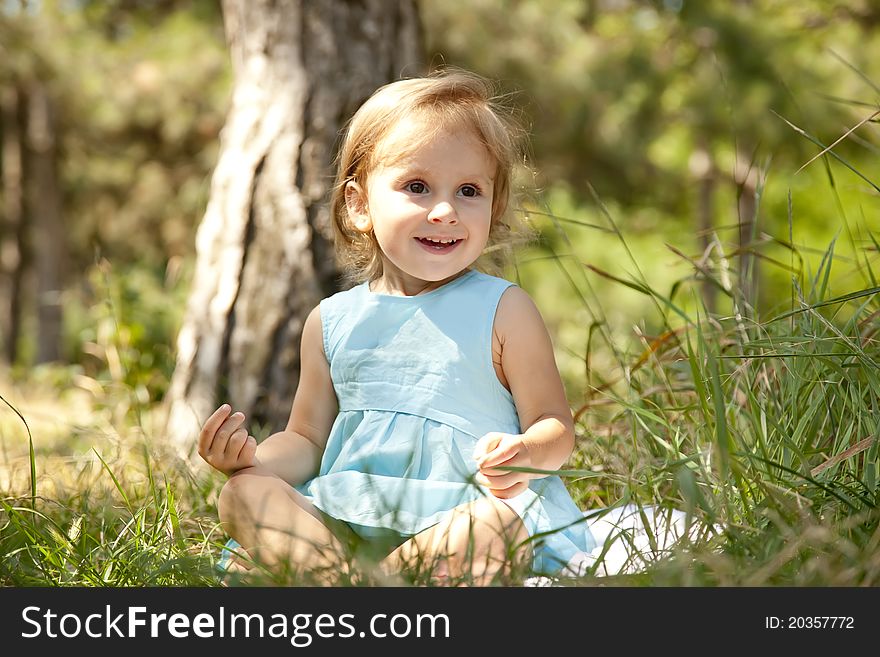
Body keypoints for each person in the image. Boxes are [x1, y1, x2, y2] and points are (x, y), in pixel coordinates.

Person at [198, 68, 596, 585]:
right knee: (243, 495)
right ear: (359, 204)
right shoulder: (332, 321)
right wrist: (253, 460)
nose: (446, 210)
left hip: (460, 516)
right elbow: (307, 440)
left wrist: (527, 452)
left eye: (469, 190)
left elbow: (555, 426)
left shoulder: (504, 309)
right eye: (417, 187)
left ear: (493, 208)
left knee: (499, 524)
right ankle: (358, 582)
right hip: (347, 523)